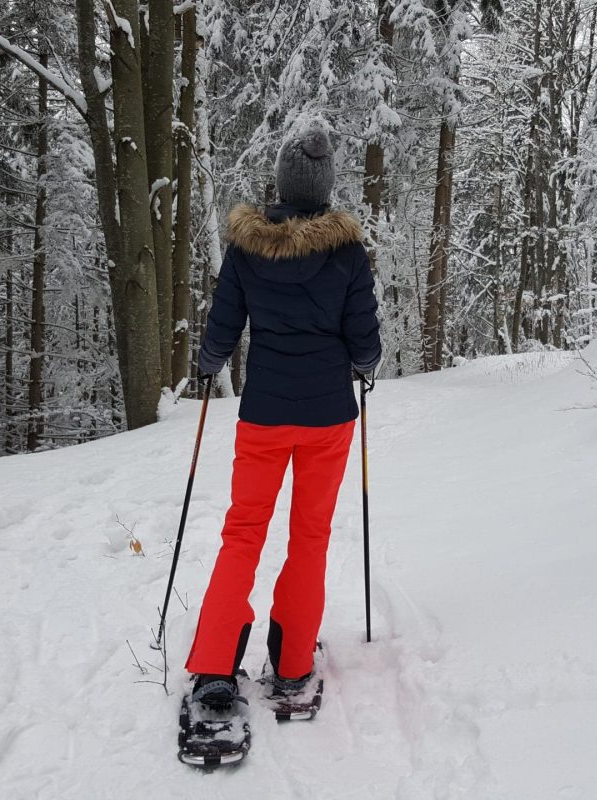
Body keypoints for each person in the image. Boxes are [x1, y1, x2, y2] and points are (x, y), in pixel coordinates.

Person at [185, 122, 381, 709]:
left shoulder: (248, 248)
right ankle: (294, 664)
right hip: (328, 418)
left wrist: (208, 362)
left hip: (265, 413)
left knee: (242, 533)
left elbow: (224, 324)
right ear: (324, 187)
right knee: (310, 536)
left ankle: (216, 666)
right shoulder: (347, 253)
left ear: (281, 182)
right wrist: (365, 363)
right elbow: (365, 339)